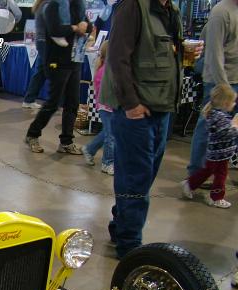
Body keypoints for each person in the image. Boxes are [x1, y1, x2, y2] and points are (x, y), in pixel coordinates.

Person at [99, 0, 198, 259]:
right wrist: (131, 103)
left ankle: (121, 226)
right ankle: (130, 247)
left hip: (161, 106)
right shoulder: (132, 6)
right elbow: (117, 58)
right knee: (136, 178)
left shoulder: (170, 10)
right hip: (136, 111)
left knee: (144, 176)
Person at [24, 0, 91, 155]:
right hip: (57, 60)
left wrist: (85, 26)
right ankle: (32, 134)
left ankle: (66, 141)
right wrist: (75, 28)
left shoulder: (77, 6)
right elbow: (55, 29)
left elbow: (89, 25)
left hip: (75, 59)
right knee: (53, 102)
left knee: (72, 102)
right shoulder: (53, 5)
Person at [186, 0, 238, 177]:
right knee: (208, 127)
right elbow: (214, 53)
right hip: (220, 82)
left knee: (229, 130)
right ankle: (196, 173)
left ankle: (217, 172)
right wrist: (223, 86)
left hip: (234, 79)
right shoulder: (221, 12)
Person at [182, 84, 238, 208]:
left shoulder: (216, 114)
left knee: (208, 171)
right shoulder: (220, 117)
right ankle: (216, 197)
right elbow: (226, 133)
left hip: (218, 153)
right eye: (233, 102)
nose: (234, 104)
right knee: (219, 175)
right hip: (219, 154)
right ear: (225, 103)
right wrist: (235, 128)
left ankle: (191, 184)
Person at [81, 40, 114, 175]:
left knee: (108, 133)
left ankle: (89, 149)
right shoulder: (104, 71)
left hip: (111, 106)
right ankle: (107, 163)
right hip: (106, 107)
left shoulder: (110, 69)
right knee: (111, 135)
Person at [22, 0, 49, 109]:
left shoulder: (41, 5)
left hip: (41, 41)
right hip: (45, 42)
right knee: (47, 72)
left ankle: (29, 99)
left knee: (40, 72)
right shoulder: (46, 5)